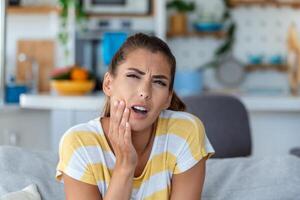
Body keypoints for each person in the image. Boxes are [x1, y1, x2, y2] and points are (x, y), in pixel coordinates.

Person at [56, 33, 215, 200]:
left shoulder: (185, 132)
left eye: (159, 82)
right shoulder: (78, 144)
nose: (145, 92)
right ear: (108, 84)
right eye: (133, 76)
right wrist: (125, 166)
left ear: (168, 98)